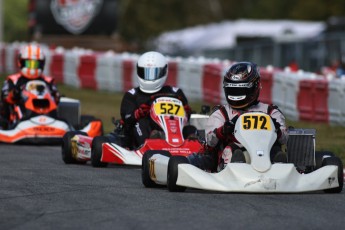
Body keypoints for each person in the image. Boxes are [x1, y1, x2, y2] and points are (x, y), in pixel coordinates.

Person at [187, 61, 288, 172]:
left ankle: (278, 170)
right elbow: (210, 142)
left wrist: (277, 130)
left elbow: (284, 138)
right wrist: (222, 131)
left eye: (241, 89)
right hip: (232, 155)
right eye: (233, 89)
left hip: (265, 152)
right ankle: (235, 169)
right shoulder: (222, 113)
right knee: (232, 150)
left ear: (255, 86)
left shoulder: (270, 111)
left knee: (277, 151)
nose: (236, 93)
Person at [119, 51, 192, 149]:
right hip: (142, 132)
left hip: (174, 128)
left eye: (154, 73)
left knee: (190, 129)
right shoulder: (132, 95)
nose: (150, 77)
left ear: (164, 71)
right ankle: (149, 143)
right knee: (140, 123)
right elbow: (126, 118)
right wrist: (138, 113)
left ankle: (192, 145)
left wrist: (186, 111)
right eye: (146, 73)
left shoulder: (175, 92)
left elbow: (187, 117)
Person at [0, 43, 60, 129]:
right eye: (29, 64)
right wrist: (15, 93)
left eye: (35, 64)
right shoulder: (13, 80)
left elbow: (56, 99)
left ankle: (53, 122)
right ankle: (7, 125)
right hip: (19, 114)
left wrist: (55, 95)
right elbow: (5, 97)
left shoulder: (48, 81)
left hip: (45, 111)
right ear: (21, 62)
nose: (32, 68)